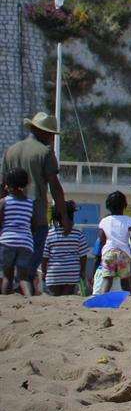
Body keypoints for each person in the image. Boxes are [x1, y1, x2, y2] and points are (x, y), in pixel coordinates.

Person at [2, 112, 70, 292]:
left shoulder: (10, 150)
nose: (51, 138)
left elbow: (2, 186)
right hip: (36, 214)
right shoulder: (45, 152)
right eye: (50, 134)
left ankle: (9, 293)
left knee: (7, 269)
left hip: (10, 218)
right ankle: (23, 289)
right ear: (42, 132)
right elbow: (55, 187)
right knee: (29, 265)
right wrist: (64, 216)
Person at [93, 191, 131, 295]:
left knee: (107, 280)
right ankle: (129, 300)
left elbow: (102, 240)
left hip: (108, 253)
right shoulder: (129, 220)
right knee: (125, 282)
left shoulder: (104, 221)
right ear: (125, 205)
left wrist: (100, 256)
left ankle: (102, 298)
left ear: (108, 206)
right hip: (123, 254)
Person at [1, 168, 37, 296]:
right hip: (26, 242)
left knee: (7, 276)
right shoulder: (30, 203)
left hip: (7, 241)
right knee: (23, 276)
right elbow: (33, 224)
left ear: (10, 186)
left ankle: (5, 300)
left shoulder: (4, 202)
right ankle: (29, 298)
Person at [41, 201, 88, 295]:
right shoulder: (78, 234)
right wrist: (82, 271)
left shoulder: (50, 234)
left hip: (54, 273)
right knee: (67, 296)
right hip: (71, 273)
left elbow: (45, 257)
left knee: (55, 299)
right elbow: (83, 256)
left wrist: (44, 271)